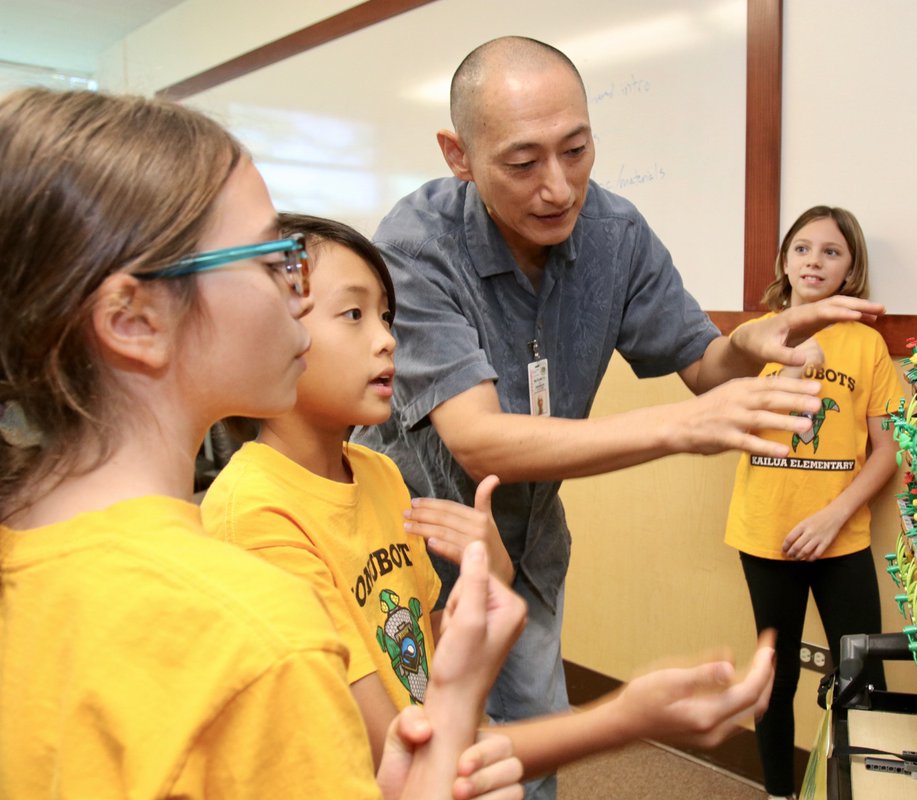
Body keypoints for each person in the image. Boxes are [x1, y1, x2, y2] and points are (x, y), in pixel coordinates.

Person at [354, 37, 884, 797]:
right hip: (410, 548)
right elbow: (476, 440)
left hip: (528, 545)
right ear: (458, 154)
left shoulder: (616, 232)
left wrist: (750, 343)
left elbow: (704, 363)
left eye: (577, 149)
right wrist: (676, 432)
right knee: (418, 753)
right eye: (524, 162)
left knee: (532, 747)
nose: (560, 187)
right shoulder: (416, 244)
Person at [0, 87, 524, 800]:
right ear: (133, 321)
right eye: (272, 257)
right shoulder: (258, 637)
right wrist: (458, 700)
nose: (293, 291)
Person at [202, 213, 778, 793]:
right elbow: (392, 754)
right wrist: (624, 718)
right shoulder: (256, 513)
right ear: (264, 333)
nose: (386, 339)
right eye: (353, 315)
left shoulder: (377, 473)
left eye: (385, 316)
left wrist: (494, 575)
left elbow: (430, 679)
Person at [723, 206, 903, 800]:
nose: (814, 261)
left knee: (863, 674)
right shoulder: (757, 336)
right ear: (784, 261)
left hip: (841, 534)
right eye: (802, 248)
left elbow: (886, 451)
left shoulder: (867, 344)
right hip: (766, 530)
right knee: (772, 678)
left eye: (831, 251)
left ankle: (858, 789)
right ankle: (780, 792)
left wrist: (834, 515)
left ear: (851, 267)